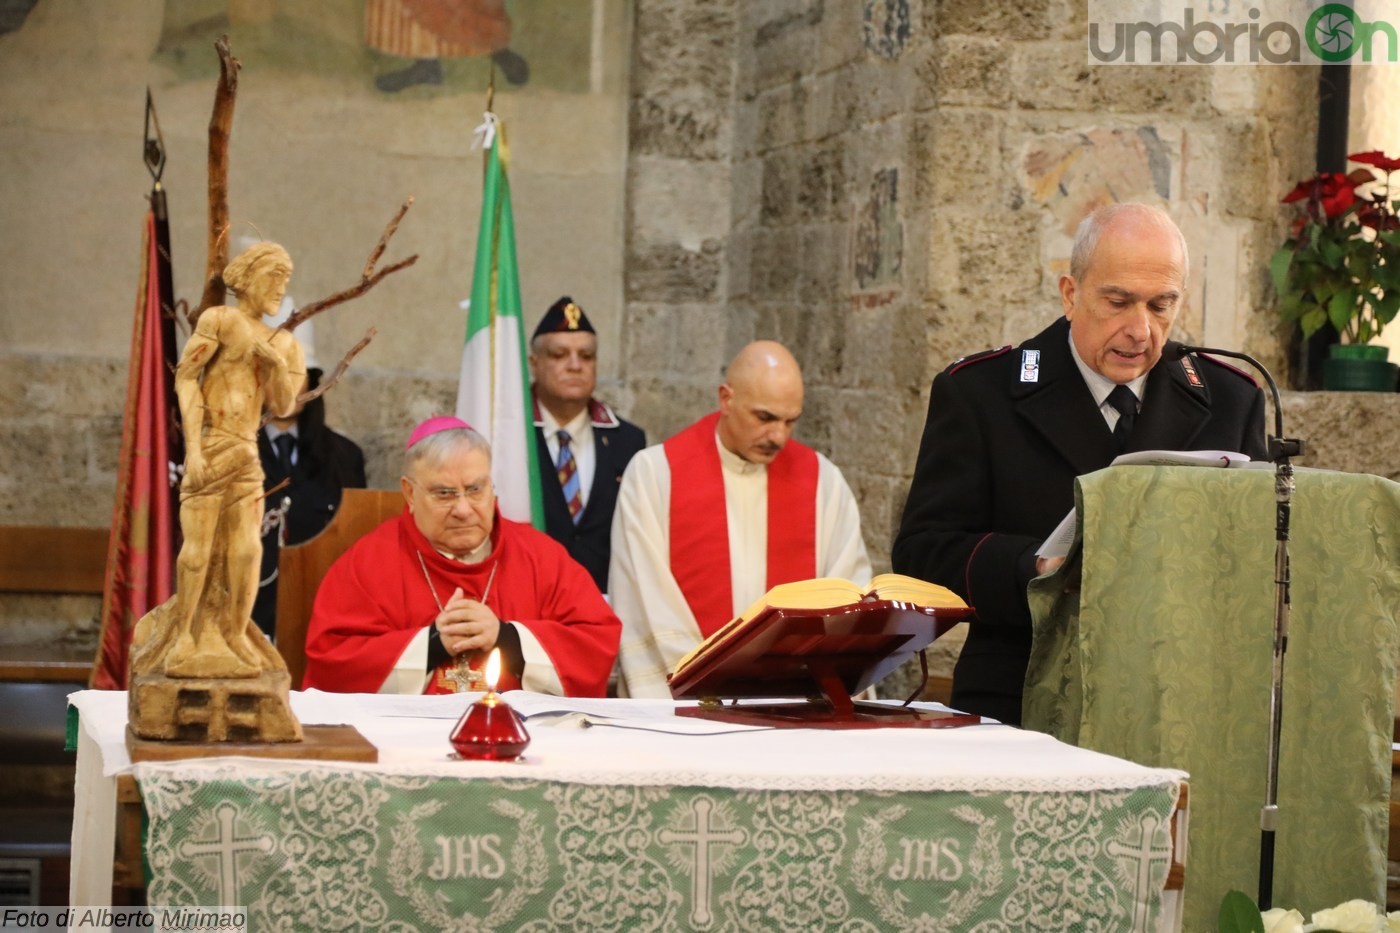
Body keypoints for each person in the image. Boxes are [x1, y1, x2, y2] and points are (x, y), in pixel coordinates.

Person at [892, 202, 1268, 726]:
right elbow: (923, 553)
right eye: (1118, 302)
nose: (1140, 330)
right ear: (1071, 294)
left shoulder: (1231, 397)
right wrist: (1036, 570)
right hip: (1022, 697)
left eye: (1162, 305)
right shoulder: (981, 395)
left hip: (1176, 705)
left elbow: (1257, 560)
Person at [609, 340, 873, 697]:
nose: (778, 436)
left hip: (796, 706)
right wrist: (711, 688)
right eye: (764, 418)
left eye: (790, 421)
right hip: (691, 709)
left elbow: (846, 595)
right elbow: (645, 597)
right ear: (726, 399)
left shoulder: (823, 482)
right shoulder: (656, 475)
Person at [303, 416, 621, 696]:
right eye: (445, 493)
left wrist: (506, 637)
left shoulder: (540, 557)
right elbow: (332, 662)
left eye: (475, 489)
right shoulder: (369, 562)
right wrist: (432, 643)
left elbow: (595, 643)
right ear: (410, 493)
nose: (463, 509)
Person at [130, 242, 305, 680]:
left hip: (247, 452)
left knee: (248, 550)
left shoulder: (284, 343)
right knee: (198, 550)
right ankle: (185, 634)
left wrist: (276, 367)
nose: (280, 288)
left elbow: (284, 406)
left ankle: (233, 634)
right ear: (246, 278)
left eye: (286, 280)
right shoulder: (220, 320)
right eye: (273, 277)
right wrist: (192, 449)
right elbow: (186, 379)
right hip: (210, 446)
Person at [529, 296, 646, 593]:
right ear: (534, 363)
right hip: (529, 600)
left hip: (605, 603)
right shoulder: (512, 438)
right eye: (559, 355)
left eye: (586, 355)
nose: (575, 366)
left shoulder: (627, 440)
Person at [253, 354, 367, 641]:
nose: (284, 385)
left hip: (320, 612)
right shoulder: (230, 453)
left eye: (293, 374)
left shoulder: (344, 456)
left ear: (312, 382)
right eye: (274, 374)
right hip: (249, 615)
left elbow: (355, 536)